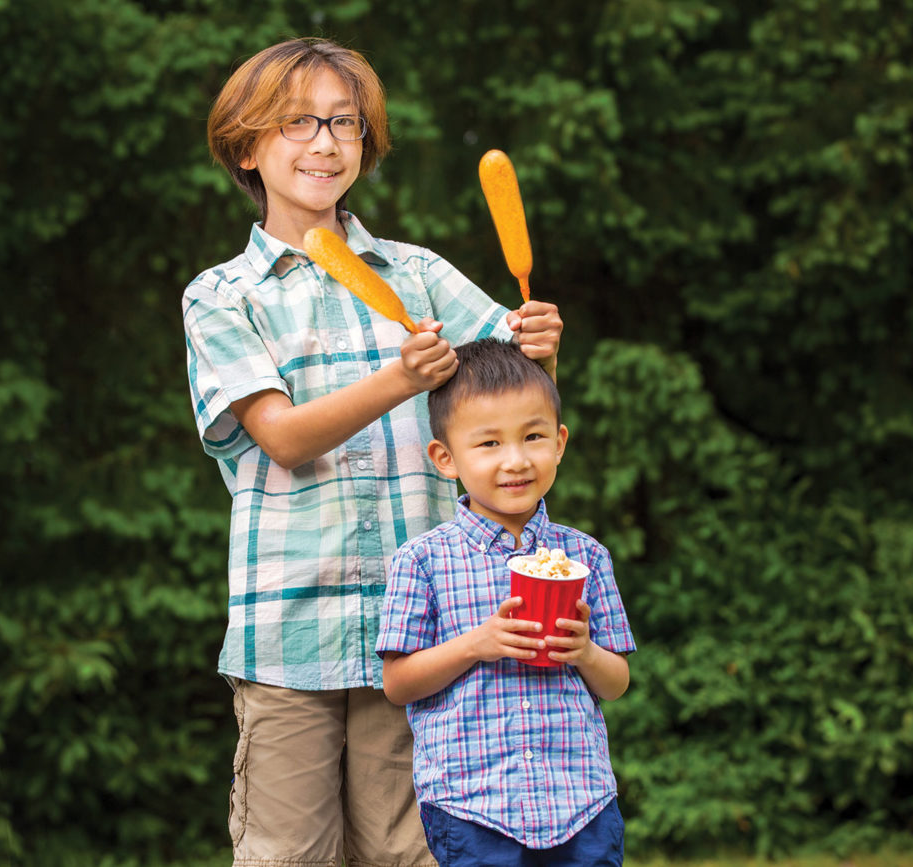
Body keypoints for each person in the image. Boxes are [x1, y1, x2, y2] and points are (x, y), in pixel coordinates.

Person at [181, 38, 563, 866]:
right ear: (248, 147)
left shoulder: (418, 275)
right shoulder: (221, 295)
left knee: (410, 849)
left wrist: (540, 344)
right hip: (289, 633)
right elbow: (280, 437)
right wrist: (400, 379)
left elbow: (516, 398)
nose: (324, 142)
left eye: (343, 123)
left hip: (420, 630)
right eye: (297, 123)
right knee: (288, 853)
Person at [377, 338, 635, 867]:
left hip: (580, 802)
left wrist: (585, 652)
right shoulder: (423, 561)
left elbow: (616, 682)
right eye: (489, 444)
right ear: (445, 458)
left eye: (533, 436)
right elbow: (397, 683)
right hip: (472, 806)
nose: (516, 460)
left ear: (560, 442)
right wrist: (477, 644)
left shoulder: (585, 556)